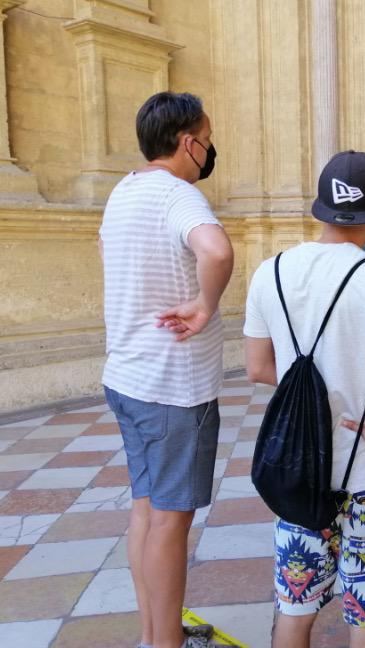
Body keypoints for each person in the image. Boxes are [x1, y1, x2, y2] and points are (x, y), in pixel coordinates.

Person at [244, 151, 365, 648]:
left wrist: (307, 391)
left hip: (297, 474)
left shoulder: (270, 272)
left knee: (294, 606)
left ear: (320, 209)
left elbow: (258, 367)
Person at [100, 92, 234, 648]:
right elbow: (217, 251)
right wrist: (204, 306)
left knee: (145, 510)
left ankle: (156, 633)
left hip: (128, 378)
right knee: (170, 521)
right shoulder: (178, 195)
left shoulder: (123, 191)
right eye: (206, 137)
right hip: (174, 389)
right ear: (189, 142)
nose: (209, 149)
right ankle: (167, 644)